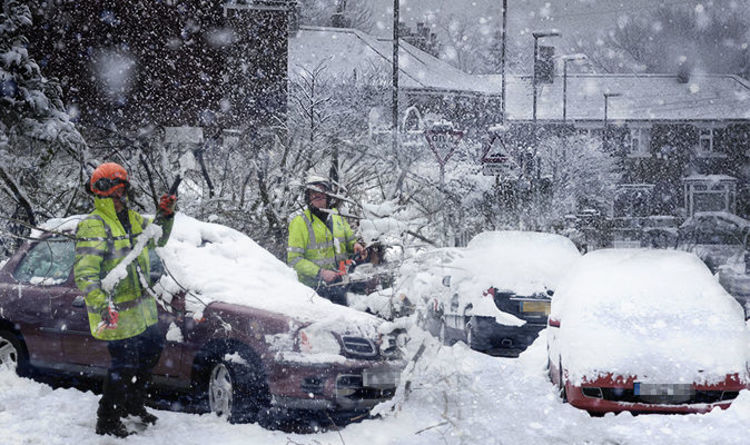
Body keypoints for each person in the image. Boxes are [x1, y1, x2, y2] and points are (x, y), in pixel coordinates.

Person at [74, 162, 177, 437]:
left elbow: (159, 239)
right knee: (124, 365)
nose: (122, 197)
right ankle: (107, 418)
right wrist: (100, 303)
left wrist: (165, 215)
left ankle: (133, 405)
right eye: (116, 191)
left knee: (150, 355)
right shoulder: (94, 225)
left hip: (142, 309)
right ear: (102, 192)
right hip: (115, 312)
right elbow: (85, 273)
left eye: (124, 190)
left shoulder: (133, 219)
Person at [287, 175, 365, 305]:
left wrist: (356, 246)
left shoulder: (337, 216)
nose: (318, 195)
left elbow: (350, 241)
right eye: (313, 192)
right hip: (315, 290)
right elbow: (294, 260)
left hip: (342, 283)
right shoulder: (299, 223)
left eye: (321, 191)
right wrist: (320, 273)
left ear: (328, 195)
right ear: (308, 197)